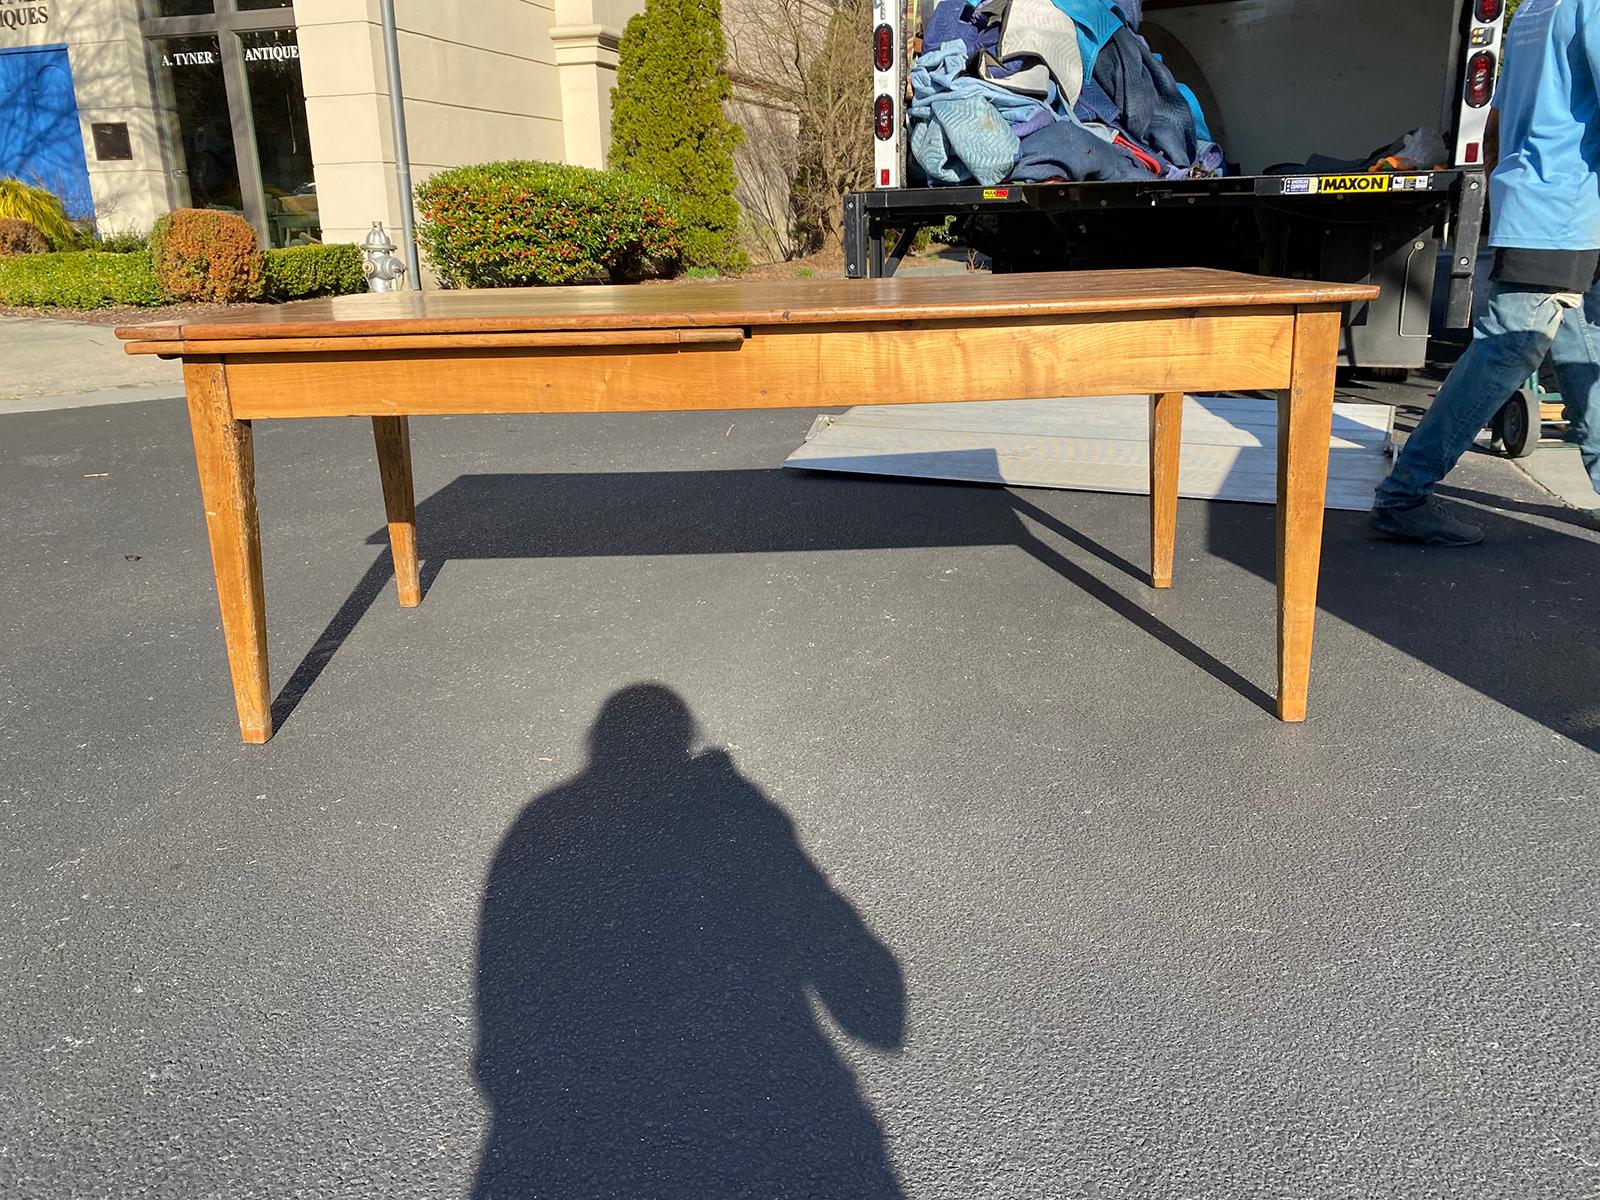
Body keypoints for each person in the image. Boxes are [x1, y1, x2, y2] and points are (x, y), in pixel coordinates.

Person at [1370, 0, 1600, 545]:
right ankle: (1405, 495)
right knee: (1505, 351)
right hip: (1563, 210)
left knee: (1583, 348)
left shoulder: (1537, 10)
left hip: (1542, 199)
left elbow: (1497, 116)